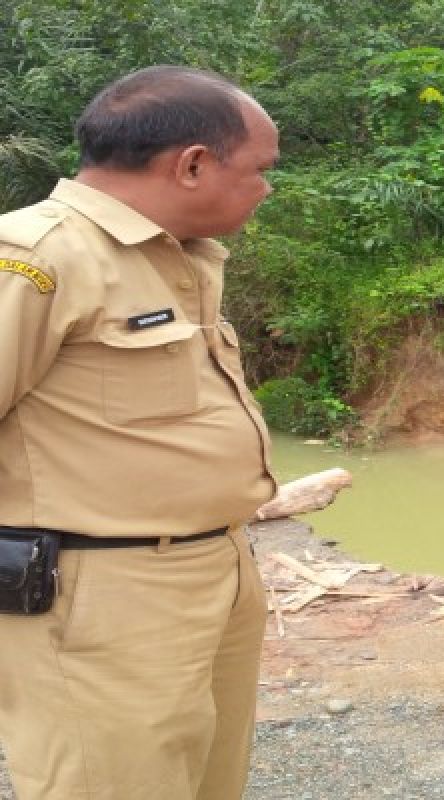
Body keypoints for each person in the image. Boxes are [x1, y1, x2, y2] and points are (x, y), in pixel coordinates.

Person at [0, 66, 279, 799]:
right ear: (191, 164)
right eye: (260, 170)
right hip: (98, 591)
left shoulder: (178, 257)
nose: (267, 189)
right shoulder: (38, 257)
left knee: (206, 777)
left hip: (214, 566)